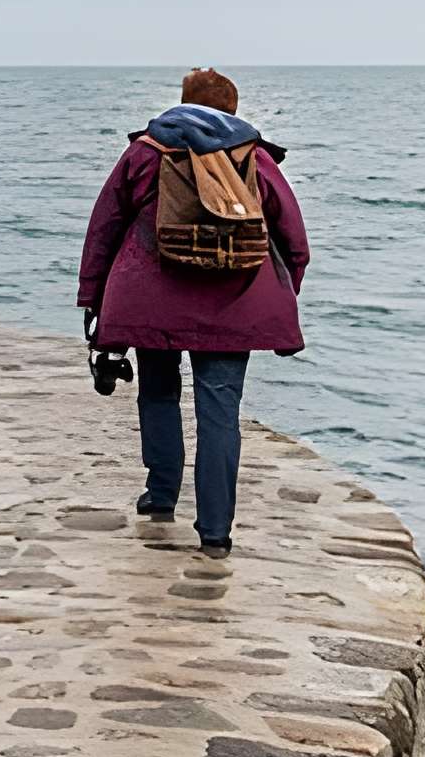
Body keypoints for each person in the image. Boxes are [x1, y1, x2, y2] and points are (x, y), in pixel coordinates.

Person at [76, 68, 308, 557]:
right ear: (233, 110)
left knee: (158, 393)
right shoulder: (256, 157)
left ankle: (161, 496)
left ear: (182, 103)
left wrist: (93, 300)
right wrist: (281, 295)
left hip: (150, 298)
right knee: (219, 412)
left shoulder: (145, 152)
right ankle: (216, 533)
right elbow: (294, 240)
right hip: (235, 301)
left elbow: (104, 230)